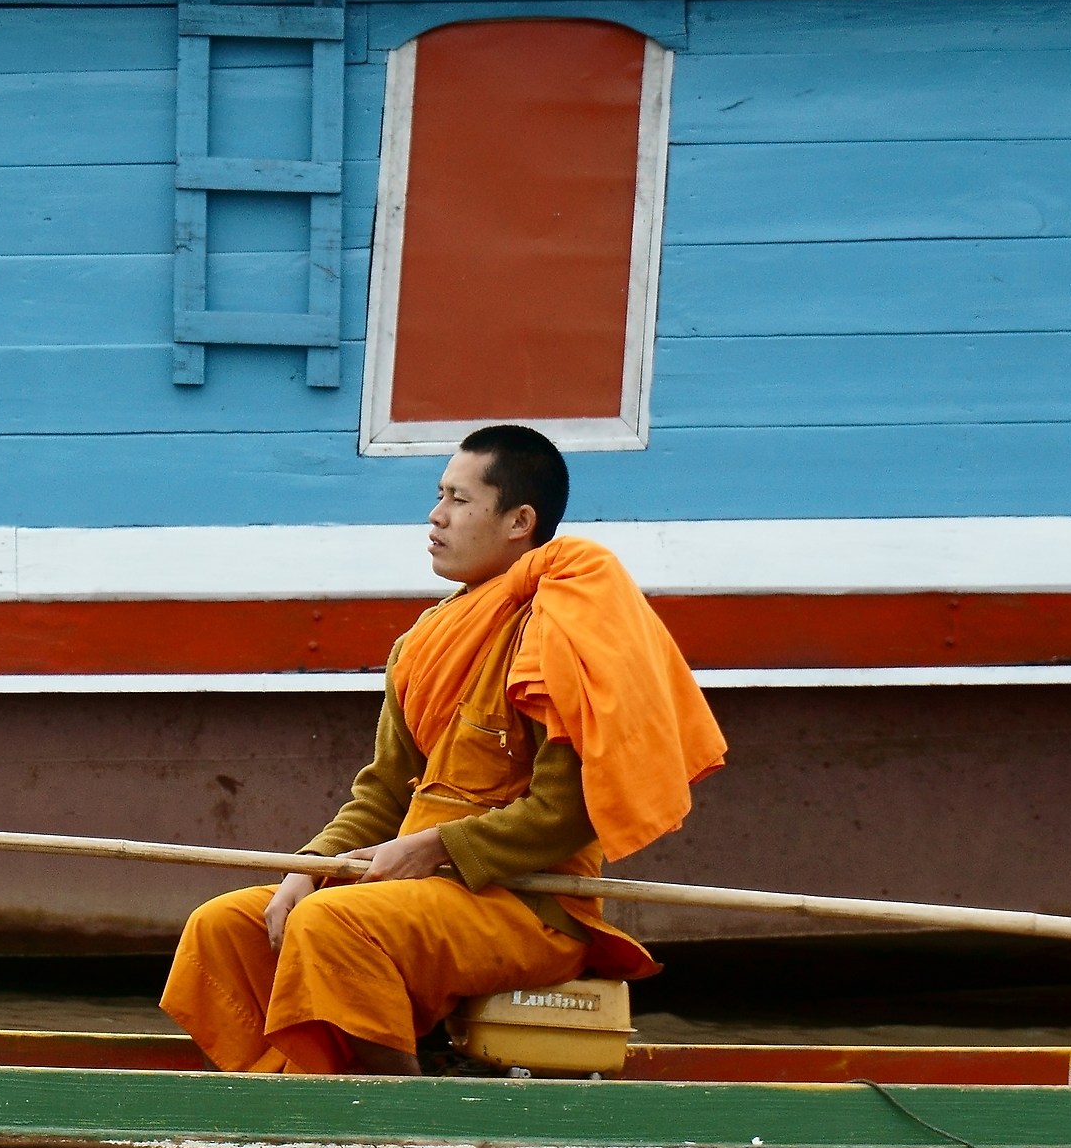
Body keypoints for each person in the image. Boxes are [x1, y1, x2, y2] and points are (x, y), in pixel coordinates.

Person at [159, 424, 727, 1075]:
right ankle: (301, 1092)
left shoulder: (562, 629)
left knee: (333, 923)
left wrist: (434, 847)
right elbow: (382, 793)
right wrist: (309, 865)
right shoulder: (425, 640)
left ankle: (403, 1110)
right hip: (419, 889)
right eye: (439, 496)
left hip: (526, 904)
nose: (436, 516)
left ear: (520, 521)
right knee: (226, 926)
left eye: (459, 500)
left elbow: (569, 813)